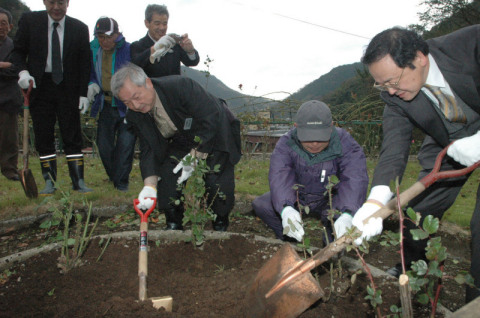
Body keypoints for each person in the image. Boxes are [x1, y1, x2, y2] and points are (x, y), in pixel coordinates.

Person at [352, 25, 480, 302]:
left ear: (420, 58)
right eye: (381, 84)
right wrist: (374, 203)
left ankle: (475, 302)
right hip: (449, 144)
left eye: (393, 81)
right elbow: (393, 150)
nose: (390, 90)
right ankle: (412, 271)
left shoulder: (472, 46)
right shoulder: (394, 96)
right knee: (417, 213)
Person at [111, 63, 241, 231]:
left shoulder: (180, 87)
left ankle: (220, 223)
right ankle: (173, 223)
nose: (135, 105)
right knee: (169, 173)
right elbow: (149, 148)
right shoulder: (135, 114)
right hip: (182, 137)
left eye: (137, 97)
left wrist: (195, 156)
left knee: (215, 179)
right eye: (127, 102)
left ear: (148, 83)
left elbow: (211, 116)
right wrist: (149, 186)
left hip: (216, 129)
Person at [252, 100, 369, 243]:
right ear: (296, 128)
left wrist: (347, 213)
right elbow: (279, 175)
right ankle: (289, 239)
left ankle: (331, 241)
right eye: (308, 138)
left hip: (331, 199)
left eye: (321, 138)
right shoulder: (286, 143)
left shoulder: (345, 143)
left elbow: (355, 178)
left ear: (331, 127)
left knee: (337, 235)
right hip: (299, 197)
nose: (314, 144)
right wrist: (286, 209)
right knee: (262, 204)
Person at [10, 0, 92, 194]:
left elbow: (84, 63)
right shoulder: (30, 21)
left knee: (72, 133)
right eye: (52, 2)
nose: (57, 7)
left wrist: (83, 93)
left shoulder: (80, 28)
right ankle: (49, 181)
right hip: (39, 85)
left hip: (68, 86)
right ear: (45, 2)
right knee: (43, 133)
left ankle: (78, 181)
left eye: (61, 2)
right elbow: (18, 52)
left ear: (68, 3)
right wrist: (22, 73)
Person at [85, 17, 136, 192]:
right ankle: (115, 177)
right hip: (105, 103)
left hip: (125, 105)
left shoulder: (128, 50)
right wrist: (92, 85)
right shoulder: (93, 50)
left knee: (125, 144)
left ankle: (121, 184)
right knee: (104, 145)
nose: (104, 41)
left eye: (108, 37)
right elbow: (91, 73)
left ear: (117, 34)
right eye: (100, 37)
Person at [130, 4, 199, 78]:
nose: (162, 28)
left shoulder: (174, 42)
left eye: (165, 23)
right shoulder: (137, 46)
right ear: (147, 23)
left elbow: (192, 62)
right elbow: (135, 66)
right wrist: (154, 49)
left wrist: (190, 51)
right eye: (157, 23)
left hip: (175, 88)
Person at [0, 8, 22, 182]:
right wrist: (4, 65)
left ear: (10, 26)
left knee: (10, 138)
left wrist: (8, 67)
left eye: (3, 23)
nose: (0, 26)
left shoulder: (15, 46)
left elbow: (16, 69)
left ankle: (10, 169)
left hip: (9, 99)